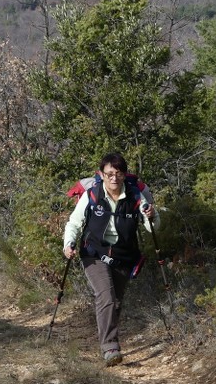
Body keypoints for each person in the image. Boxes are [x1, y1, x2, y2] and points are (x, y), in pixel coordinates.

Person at [63, 151, 159, 366]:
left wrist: (152, 216)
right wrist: (68, 243)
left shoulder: (135, 196)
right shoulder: (92, 195)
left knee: (115, 302)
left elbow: (152, 227)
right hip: (94, 253)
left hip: (124, 256)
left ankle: (110, 341)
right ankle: (110, 348)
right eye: (109, 174)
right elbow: (74, 223)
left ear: (124, 175)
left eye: (118, 173)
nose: (114, 178)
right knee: (105, 296)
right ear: (101, 174)